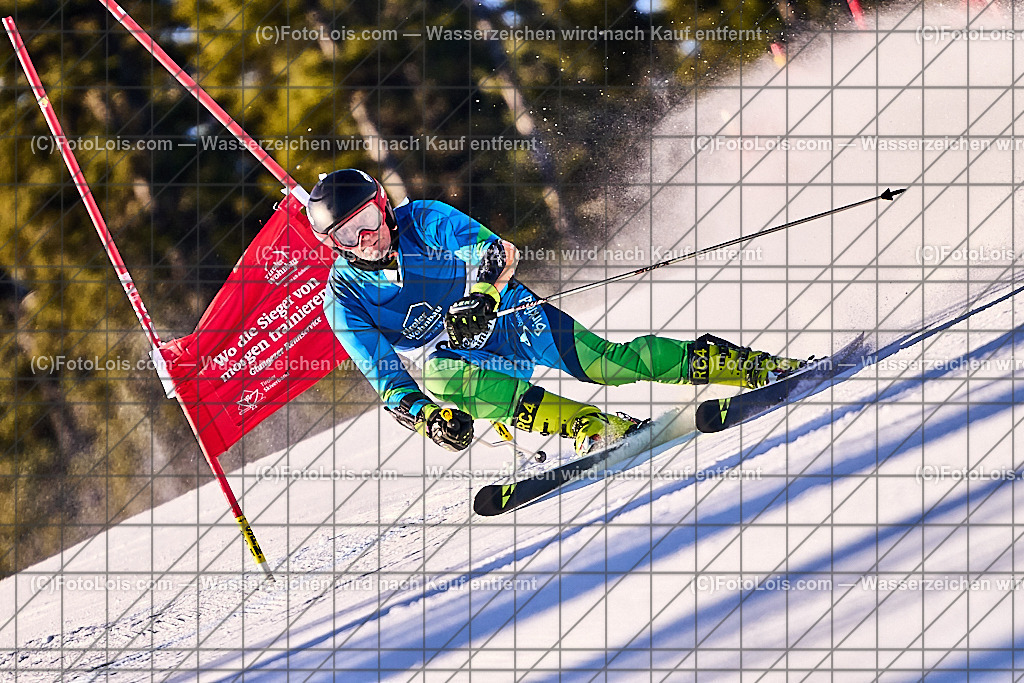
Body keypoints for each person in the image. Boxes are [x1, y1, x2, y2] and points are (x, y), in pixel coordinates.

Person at [312, 169, 804, 456]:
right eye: (347, 236)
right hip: (466, 363)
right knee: (438, 378)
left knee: (605, 365)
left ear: (383, 206)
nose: (367, 238)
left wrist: (482, 296)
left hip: (505, 313)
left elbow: (495, 250)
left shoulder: (422, 219)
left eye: (370, 221)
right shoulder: (344, 296)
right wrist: (431, 420)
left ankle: (740, 365)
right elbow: (389, 381)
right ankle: (590, 427)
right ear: (332, 245)